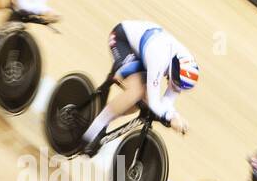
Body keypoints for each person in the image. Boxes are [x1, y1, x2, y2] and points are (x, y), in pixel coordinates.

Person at [79, 20, 198, 156]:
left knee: (141, 102)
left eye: (180, 85)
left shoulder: (182, 70)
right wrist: (171, 118)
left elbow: (166, 103)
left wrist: (175, 116)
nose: (176, 85)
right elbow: (155, 103)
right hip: (122, 39)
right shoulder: (160, 57)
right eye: (175, 81)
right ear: (174, 68)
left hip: (142, 52)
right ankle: (92, 132)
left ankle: (105, 121)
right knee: (136, 91)